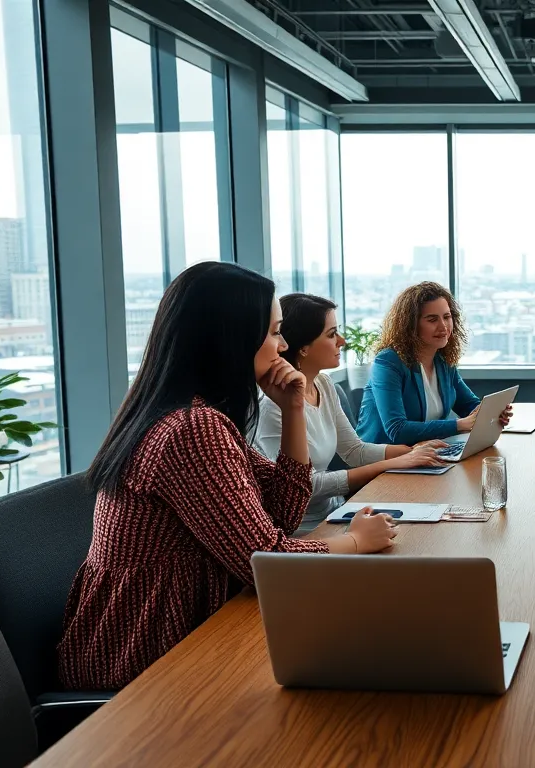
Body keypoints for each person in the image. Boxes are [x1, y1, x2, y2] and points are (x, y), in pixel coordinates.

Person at [58, 263, 398, 691]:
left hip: (188, 628)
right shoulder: (190, 429)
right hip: (146, 654)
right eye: (274, 332)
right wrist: (356, 541)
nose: (283, 345)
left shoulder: (192, 415)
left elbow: (282, 514)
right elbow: (266, 561)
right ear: (232, 337)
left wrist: (293, 409)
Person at [255, 293, 448, 534]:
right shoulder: (271, 408)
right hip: (300, 531)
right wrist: (394, 463)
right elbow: (306, 486)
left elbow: (355, 451)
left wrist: (414, 452)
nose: (342, 341)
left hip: (334, 513)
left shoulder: (324, 384)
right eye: (331, 334)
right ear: (304, 347)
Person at [355, 281, 510, 445]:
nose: (443, 326)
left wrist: (490, 414)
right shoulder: (388, 362)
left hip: (426, 451)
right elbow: (397, 430)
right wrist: (459, 425)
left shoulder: (443, 361)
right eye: (432, 320)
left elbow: (469, 405)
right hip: (385, 456)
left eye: (447, 317)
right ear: (411, 325)